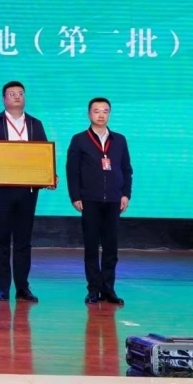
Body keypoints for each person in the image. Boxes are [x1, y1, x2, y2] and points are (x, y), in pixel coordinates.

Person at [0, 81, 56, 303]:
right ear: (4, 99)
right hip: (1, 190)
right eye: (12, 94)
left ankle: (23, 288)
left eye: (20, 93)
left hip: (28, 191)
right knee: (1, 239)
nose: (17, 97)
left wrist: (49, 175)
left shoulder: (35, 124)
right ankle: (3, 287)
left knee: (23, 240)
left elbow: (43, 154)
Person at [66, 97, 133, 306]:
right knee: (92, 247)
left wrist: (125, 194)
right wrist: (75, 196)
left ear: (109, 114)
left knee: (111, 248)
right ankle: (93, 289)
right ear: (89, 114)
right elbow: (72, 171)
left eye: (105, 111)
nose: (101, 115)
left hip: (114, 200)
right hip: (90, 200)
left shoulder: (119, 140)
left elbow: (126, 169)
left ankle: (108, 289)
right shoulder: (79, 139)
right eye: (96, 111)